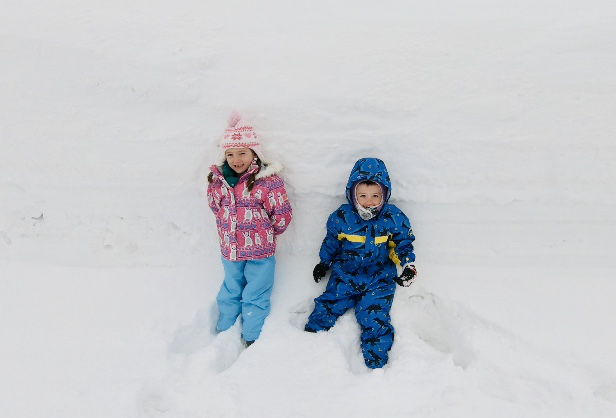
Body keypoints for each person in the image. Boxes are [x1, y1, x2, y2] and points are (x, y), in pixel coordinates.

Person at [304, 157, 417, 368]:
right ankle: (309, 343)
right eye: (363, 195)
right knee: (329, 303)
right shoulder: (342, 217)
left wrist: (408, 265)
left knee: (374, 316)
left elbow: (403, 244)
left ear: (385, 194)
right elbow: (331, 242)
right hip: (346, 272)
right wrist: (324, 262)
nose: (369, 202)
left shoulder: (393, 218)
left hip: (379, 276)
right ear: (352, 194)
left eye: (375, 196)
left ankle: (376, 363)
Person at [207, 111, 292, 346]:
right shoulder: (218, 181)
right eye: (231, 154)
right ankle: (224, 329)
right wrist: (228, 230)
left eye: (242, 153)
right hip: (231, 249)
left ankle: (252, 335)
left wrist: (267, 232)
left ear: (254, 153)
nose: (237, 159)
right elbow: (215, 207)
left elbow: (282, 213)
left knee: (255, 293)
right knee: (231, 289)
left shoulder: (267, 181)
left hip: (260, 251)